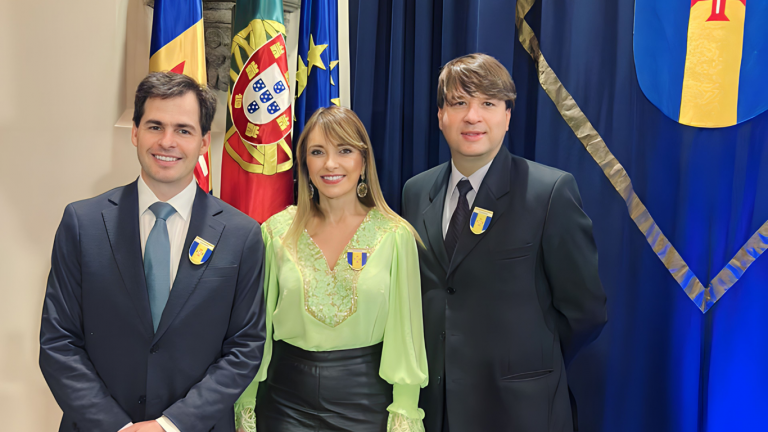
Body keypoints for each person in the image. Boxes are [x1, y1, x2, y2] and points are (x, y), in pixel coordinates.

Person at [39, 72, 267, 432]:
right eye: (155, 126)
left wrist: (169, 426)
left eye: (183, 130)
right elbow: (58, 342)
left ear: (204, 142)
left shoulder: (242, 235)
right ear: (135, 132)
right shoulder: (82, 223)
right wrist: (116, 426)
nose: (167, 141)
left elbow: (245, 349)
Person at [401, 53, 608, 432]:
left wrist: (528, 360)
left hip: (520, 410)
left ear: (507, 116)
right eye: (459, 103)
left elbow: (585, 311)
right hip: (435, 410)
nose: (472, 117)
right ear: (441, 115)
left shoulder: (548, 192)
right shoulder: (415, 192)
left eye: (488, 103)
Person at [234, 106, 428, 432]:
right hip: (283, 404)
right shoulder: (275, 232)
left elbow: (406, 335)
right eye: (317, 152)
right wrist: (246, 406)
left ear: (363, 162)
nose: (330, 163)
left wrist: (404, 412)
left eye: (345, 150)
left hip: (367, 403)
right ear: (304, 164)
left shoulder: (395, 235)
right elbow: (257, 333)